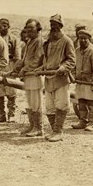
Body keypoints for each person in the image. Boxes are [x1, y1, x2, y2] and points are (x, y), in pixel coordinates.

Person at [39, 14, 75, 142]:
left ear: (61, 26)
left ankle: (58, 132)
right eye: (52, 25)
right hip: (49, 78)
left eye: (56, 25)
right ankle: (54, 130)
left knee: (61, 105)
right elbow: (46, 59)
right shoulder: (48, 42)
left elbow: (72, 60)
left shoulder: (67, 41)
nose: (53, 28)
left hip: (61, 79)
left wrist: (63, 67)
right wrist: (41, 69)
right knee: (49, 106)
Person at [12, 18, 44, 137]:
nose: (29, 30)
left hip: (35, 75)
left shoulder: (39, 41)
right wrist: (17, 68)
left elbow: (37, 60)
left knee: (36, 103)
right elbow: (24, 59)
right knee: (30, 102)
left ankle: (39, 128)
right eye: (27, 28)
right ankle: (32, 125)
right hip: (28, 76)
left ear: (38, 29)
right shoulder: (30, 41)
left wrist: (24, 69)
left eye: (31, 28)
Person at [71, 30, 93, 132]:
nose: (83, 41)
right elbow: (73, 66)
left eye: (85, 39)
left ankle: (92, 123)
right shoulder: (76, 51)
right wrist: (74, 76)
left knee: (91, 103)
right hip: (80, 82)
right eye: (81, 39)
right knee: (81, 102)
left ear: (89, 40)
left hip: (90, 82)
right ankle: (83, 121)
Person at [0, 18, 22, 122]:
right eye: (1, 25)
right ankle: (1, 115)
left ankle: (11, 114)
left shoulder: (14, 39)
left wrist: (16, 69)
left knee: (11, 90)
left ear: (9, 26)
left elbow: (17, 55)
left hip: (10, 65)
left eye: (5, 25)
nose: (3, 27)